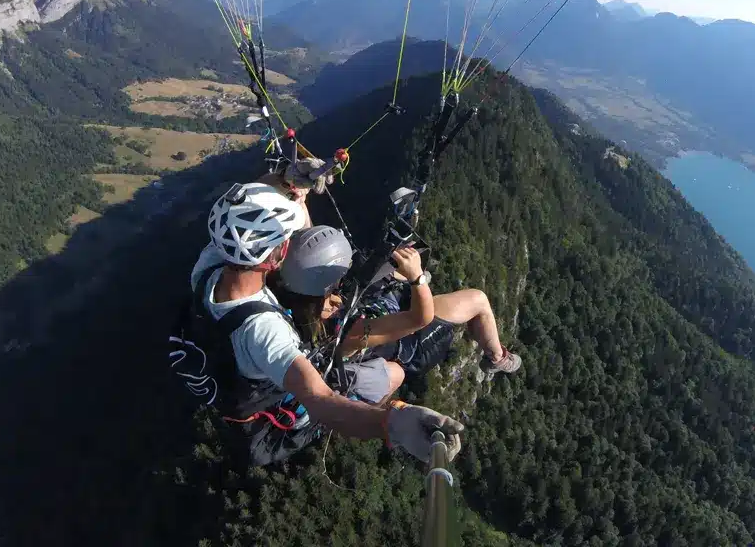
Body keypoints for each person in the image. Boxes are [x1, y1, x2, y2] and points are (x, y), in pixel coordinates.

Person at [190, 181, 464, 466]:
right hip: (271, 418)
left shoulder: (209, 267)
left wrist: (285, 178)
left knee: (389, 372)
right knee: (394, 374)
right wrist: (391, 422)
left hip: (232, 365)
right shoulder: (265, 333)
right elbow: (321, 401)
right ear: (277, 256)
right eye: (288, 240)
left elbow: (239, 220)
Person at [278, 225, 522, 381]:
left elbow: (307, 251)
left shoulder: (300, 294)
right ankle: (497, 358)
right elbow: (419, 319)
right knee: (478, 300)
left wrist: (299, 190)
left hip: (384, 306)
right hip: (413, 342)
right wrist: (416, 278)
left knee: (399, 271)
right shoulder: (349, 330)